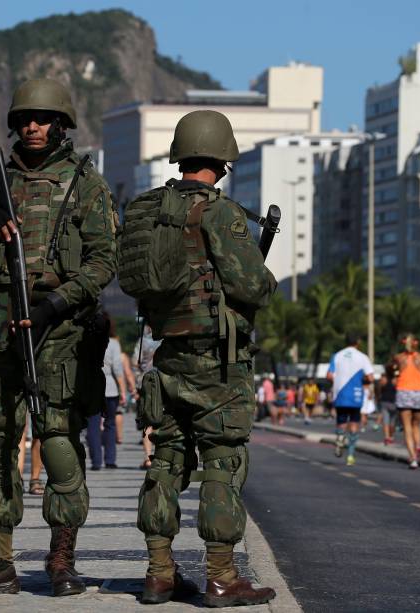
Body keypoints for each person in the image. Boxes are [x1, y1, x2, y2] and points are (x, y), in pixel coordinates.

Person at [0, 78, 116, 597]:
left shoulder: (85, 184)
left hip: (60, 331)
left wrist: (56, 303)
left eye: (42, 118)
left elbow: (104, 261)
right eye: (24, 119)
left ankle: (62, 559)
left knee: (58, 441)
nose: (32, 127)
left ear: (61, 124)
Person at [119, 110, 277, 606]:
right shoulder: (220, 212)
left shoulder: (149, 209)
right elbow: (251, 285)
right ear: (223, 158)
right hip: (217, 365)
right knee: (222, 463)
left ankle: (159, 573)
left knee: (166, 460)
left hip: (167, 357)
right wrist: (264, 279)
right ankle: (222, 577)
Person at [327, 333, 374, 467]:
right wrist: (361, 380)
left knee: (341, 421)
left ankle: (340, 438)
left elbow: (329, 375)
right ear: (357, 342)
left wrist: (338, 381)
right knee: (354, 423)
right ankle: (351, 455)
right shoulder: (363, 357)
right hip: (356, 394)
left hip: (340, 394)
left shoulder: (337, 355)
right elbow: (370, 378)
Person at [87, 313, 124, 470]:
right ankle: (110, 460)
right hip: (110, 388)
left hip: (92, 388)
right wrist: (123, 390)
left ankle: (96, 461)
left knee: (93, 425)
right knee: (110, 424)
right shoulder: (114, 344)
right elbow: (117, 368)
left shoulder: (86, 342)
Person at [391, 334, 420, 468]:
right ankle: (418, 447)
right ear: (416, 343)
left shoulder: (399, 358)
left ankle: (413, 458)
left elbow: (391, 369)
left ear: (404, 343)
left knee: (407, 426)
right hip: (418, 392)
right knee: (416, 425)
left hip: (403, 392)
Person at [133, 324, 161, 469]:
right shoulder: (166, 339)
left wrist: (135, 383)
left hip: (145, 382)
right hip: (164, 382)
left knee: (147, 421)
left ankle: (148, 457)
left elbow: (135, 362)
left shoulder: (142, 341)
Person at [378, 367, 398, 445]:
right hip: (394, 401)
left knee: (386, 421)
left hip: (385, 400)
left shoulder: (383, 378)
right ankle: (391, 437)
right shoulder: (396, 378)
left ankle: (387, 438)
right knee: (392, 421)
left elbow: (379, 388)